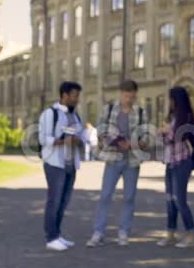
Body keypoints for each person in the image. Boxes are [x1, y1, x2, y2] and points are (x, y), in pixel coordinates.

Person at [86, 80, 149, 247]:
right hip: (113, 160)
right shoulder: (108, 110)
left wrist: (132, 144)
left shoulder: (141, 113)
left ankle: (124, 231)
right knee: (105, 195)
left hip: (132, 161)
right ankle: (98, 232)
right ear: (121, 93)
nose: (128, 98)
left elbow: (146, 139)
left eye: (131, 94)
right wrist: (111, 140)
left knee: (129, 197)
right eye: (125, 94)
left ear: (135, 94)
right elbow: (100, 131)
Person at [38, 81, 85, 252]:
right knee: (54, 200)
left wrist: (79, 140)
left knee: (64, 202)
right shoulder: (50, 114)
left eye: (78, 96)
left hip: (71, 165)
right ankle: (50, 238)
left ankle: (57, 235)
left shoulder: (75, 116)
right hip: (55, 164)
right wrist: (64, 141)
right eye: (74, 95)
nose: (77, 99)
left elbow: (83, 136)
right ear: (64, 95)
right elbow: (44, 139)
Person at [156, 87, 194, 248]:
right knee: (169, 200)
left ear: (177, 100)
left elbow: (174, 137)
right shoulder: (172, 117)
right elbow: (161, 138)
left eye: (171, 99)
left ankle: (191, 232)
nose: (169, 102)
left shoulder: (185, 117)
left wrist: (165, 133)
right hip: (170, 162)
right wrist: (164, 133)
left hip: (182, 162)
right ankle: (170, 233)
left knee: (179, 200)